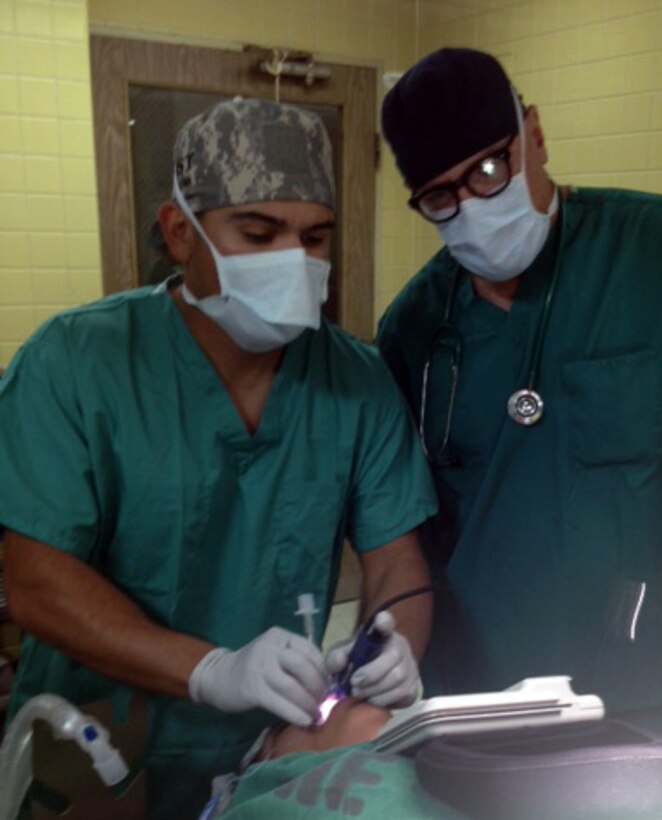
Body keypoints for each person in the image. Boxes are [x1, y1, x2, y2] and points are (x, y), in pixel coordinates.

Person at [375, 47, 662, 751]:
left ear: (532, 133)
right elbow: (400, 531)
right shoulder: (412, 328)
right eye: (440, 196)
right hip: (467, 694)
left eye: (488, 171)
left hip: (629, 686)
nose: (471, 207)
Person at [0, 98, 437, 817]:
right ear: (180, 232)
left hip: (270, 745)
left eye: (315, 236)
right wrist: (212, 670)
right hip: (98, 746)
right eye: (260, 232)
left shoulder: (355, 382)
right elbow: (36, 581)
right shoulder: (76, 363)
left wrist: (395, 648)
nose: (293, 261)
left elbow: (397, 563)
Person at [212, 699, 662, 819]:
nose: (338, 697)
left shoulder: (406, 761)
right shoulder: (267, 794)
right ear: (267, 758)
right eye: (309, 713)